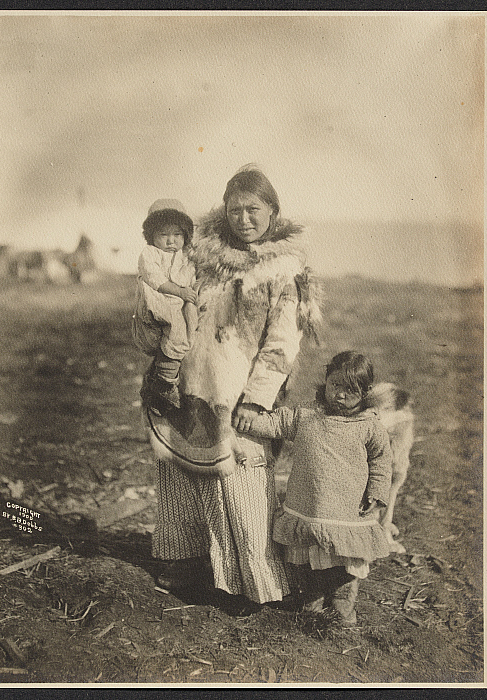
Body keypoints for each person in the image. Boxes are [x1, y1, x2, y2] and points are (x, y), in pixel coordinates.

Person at [148, 166, 323, 612]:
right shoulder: (202, 256)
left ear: (273, 212)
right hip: (189, 383)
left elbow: (284, 341)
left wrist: (257, 399)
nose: (244, 219)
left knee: (239, 479)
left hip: (239, 392)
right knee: (181, 474)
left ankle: (249, 584)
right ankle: (187, 567)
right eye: (235, 210)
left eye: (253, 209)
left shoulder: (284, 267)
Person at [236, 351, 392, 627]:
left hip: (347, 510)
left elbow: (381, 459)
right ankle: (313, 597)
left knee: (344, 561)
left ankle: (343, 602)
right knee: (308, 557)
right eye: (335, 386)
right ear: (326, 381)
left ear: (365, 392)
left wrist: (377, 492)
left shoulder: (369, 425)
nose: (340, 395)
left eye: (350, 390)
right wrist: (247, 420)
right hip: (308, 505)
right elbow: (276, 423)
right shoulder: (307, 414)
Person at [132, 199, 198, 415]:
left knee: (189, 324)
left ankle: (169, 375)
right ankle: (164, 384)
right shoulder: (149, 254)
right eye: (163, 235)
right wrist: (180, 291)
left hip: (178, 303)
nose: (171, 241)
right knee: (175, 326)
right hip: (155, 304)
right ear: (152, 236)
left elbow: (194, 277)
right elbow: (154, 280)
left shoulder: (187, 256)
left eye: (177, 235)